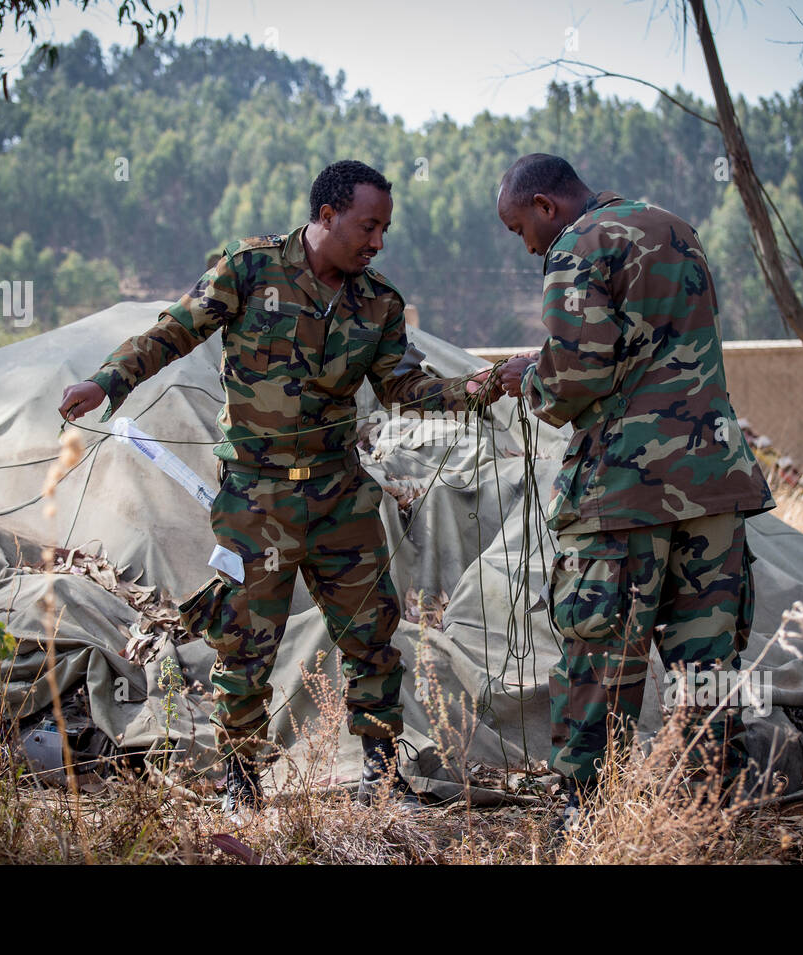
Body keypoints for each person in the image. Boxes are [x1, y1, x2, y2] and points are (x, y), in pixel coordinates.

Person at [59, 159, 496, 811]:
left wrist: (477, 386)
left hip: (340, 498)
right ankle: (240, 780)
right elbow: (173, 332)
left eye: (385, 229)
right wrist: (108, 381)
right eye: (368, 226)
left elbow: (404, 384)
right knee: (245, 644)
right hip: (256, 502)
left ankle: (384, 775)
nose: (378, 241)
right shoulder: (249, 269)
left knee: (372, 637)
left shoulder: (378, 302)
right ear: (327, 215)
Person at [492, 154, 775, 839]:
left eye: (518, 225)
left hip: (625, 491)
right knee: (707, 659)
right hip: (713, 480)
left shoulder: (573, 246)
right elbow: (649, 348)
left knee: (599, 658)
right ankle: (710, 807)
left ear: (546, 207)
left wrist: (524, 380)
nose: (523, 242)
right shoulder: (676, 228)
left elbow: (576, 379)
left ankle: (586, 815)